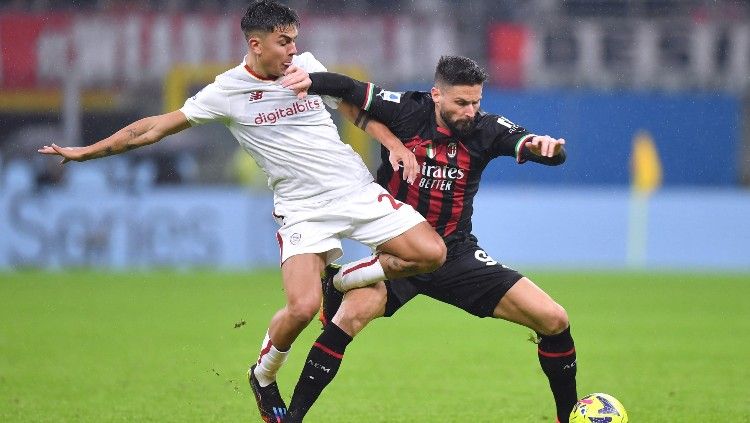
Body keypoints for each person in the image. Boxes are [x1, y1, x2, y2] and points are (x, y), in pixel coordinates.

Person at [37, 2, 447, 422]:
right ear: (256, 43)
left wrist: (394, 144)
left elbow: (352, 108)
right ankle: (264, 376)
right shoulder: (227, 92)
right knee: (303, 308)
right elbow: (154, 127)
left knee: (431, 253)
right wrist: (88, 151)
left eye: (294, 41)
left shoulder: (305, 66)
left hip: (353, 190)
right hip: (302, 209)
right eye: (283, 42)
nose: (292, 50)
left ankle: (342, 280)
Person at [283, 56, 577, 423]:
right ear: (436, 94)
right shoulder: (407, 111)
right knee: (348, 318)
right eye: (461, 103)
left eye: (476, 102)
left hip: (456, 254)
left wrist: (546, 147)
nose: (470, 111)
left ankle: (568, 418)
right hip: (400, 253)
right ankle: (291, 418)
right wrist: (307, 79)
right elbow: (347, 89)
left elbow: (542, 150)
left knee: (554, 319)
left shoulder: (486, 129)